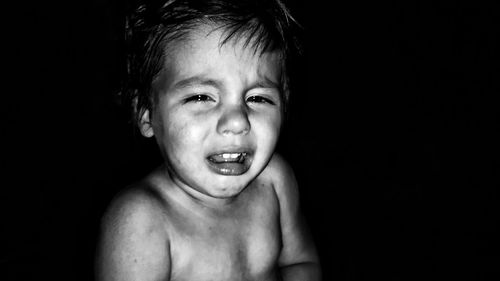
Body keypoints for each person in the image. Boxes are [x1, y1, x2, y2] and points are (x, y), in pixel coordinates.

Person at [95, 0, 321, 280]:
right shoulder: (140, 222)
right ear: (146, 114)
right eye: (202, 97)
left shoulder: (274, 180)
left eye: (258, 98)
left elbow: (300, 263)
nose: (238, 121)